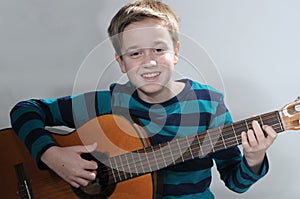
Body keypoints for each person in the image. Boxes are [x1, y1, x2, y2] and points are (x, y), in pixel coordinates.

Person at [10, 0, 277, 198]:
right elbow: (25, 110)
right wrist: (51, 155)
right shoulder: (108, 103)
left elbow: (235, 182)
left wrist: (253, 158)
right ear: (121, 63)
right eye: (135, 54)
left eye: (159, 49)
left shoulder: (209, 104)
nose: (149, 61)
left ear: (176, 52)